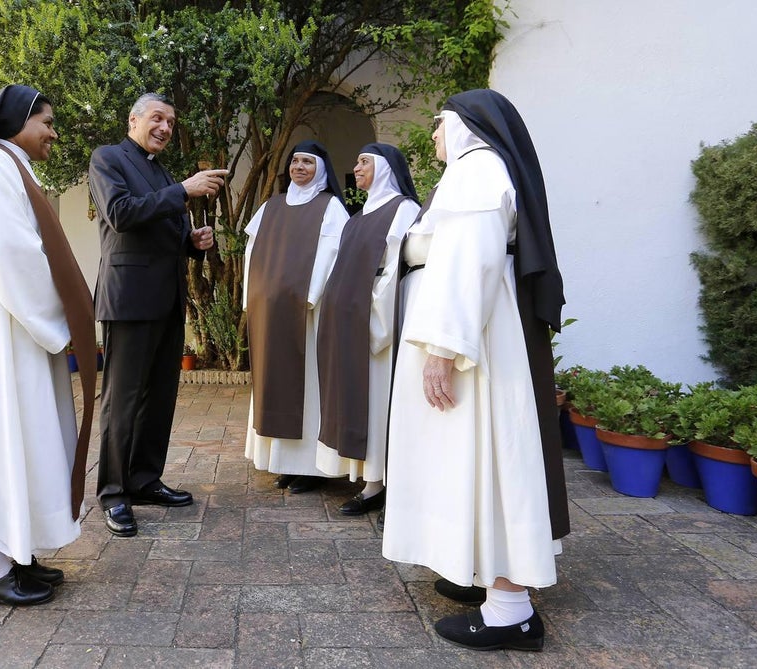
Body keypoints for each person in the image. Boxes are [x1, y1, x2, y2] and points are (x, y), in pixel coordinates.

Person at [382, 88, 569, 651]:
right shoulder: (480, 170)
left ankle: (510, 609)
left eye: (439, 125)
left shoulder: (477, 170)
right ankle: (486, 573)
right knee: (478, 460)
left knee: (492, 462)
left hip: (476, 344)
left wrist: (442, 347)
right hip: (482, 335)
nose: (434, 136)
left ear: (466, 126)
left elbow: (469, 261)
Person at [0, 85, 98, 606]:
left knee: (25, 432)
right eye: (47, 122)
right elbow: (13, 252)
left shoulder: (10, 165)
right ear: (17, 121)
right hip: (0, 317)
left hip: (12, 316)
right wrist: (62, 315)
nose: (53, 132)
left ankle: (18, 551)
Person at [88, 92, 226, 537]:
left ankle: (144, 480)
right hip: (128, 297)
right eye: (157, 118)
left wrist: (193, 241)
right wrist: (183, 190)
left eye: (170, 121)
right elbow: (121, 215)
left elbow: (162, 229)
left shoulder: (161, 171)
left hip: (167, 298)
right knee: (122, 400)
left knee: (160, 396)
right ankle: (113, 493)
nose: (165, 127)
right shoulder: (108, 159)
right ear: (133, 119)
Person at [315, 144, 419, 516]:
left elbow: (395, 270)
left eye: (364, 162)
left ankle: (377, 483)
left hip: (376, 324)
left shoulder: (402, 209)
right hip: (348, 322)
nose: (355, 167)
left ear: (385, 167)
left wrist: (376, 322)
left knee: (376, 401)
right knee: (354, 398)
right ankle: (362, 474)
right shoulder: (358, 216)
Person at [243, 141, 350, 494]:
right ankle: (282, 463)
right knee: (272, 380)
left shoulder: (330, 206)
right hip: (269, 312)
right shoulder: (271, 207)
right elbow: (252, 253)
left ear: (320, 168)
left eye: (307, 161)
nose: (299, 167)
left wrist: (309, 295)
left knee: (306, 388)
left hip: (306, 314)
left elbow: (334, 252)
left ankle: (310, 468)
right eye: (294, 161)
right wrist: (250, 297)